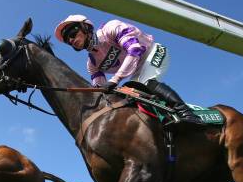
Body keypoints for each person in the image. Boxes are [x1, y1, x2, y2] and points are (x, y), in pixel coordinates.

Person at [54, 14, 201, 123]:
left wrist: (115, 79)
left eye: (73, 34)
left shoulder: (110, 28)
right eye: (68, 40)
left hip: (151, 53)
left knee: (144, 85)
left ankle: (187, 114)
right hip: (135, 71)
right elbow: (100, 93)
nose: (71, 40)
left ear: (85, 28)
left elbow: (135, 49)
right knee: (129, 99)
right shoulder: (92, 64)